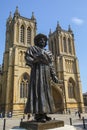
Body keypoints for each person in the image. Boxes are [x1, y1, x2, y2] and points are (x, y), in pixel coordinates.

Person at [24, 33, 58, 122]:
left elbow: (51, 64)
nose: (42, 41)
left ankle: (45, 113)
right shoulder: (32, 49)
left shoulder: (49, 52)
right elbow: (28, 59)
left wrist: (53, 75)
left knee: (46, 92)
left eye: (44, 40)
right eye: (40, 39)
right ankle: (39, 115)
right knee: (37, 92)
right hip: (37, 72)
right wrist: (37, 58)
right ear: (36, 41)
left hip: (46, 74)